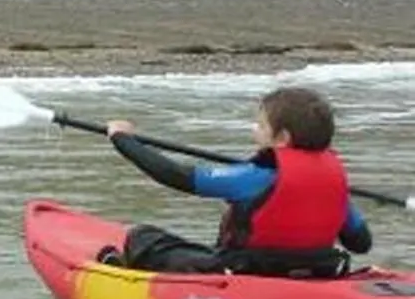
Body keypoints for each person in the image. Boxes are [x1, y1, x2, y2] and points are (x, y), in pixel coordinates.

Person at [98, 86, 372, 277]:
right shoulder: (336, 183)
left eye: (261, 125)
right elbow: (360, 243)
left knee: (143, 238)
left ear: (283, 138)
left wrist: (123, 140)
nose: (255, 129)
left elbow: (176, 176)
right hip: (318, 271)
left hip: (250, 273)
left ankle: (122, 273)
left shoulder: (254, 177)